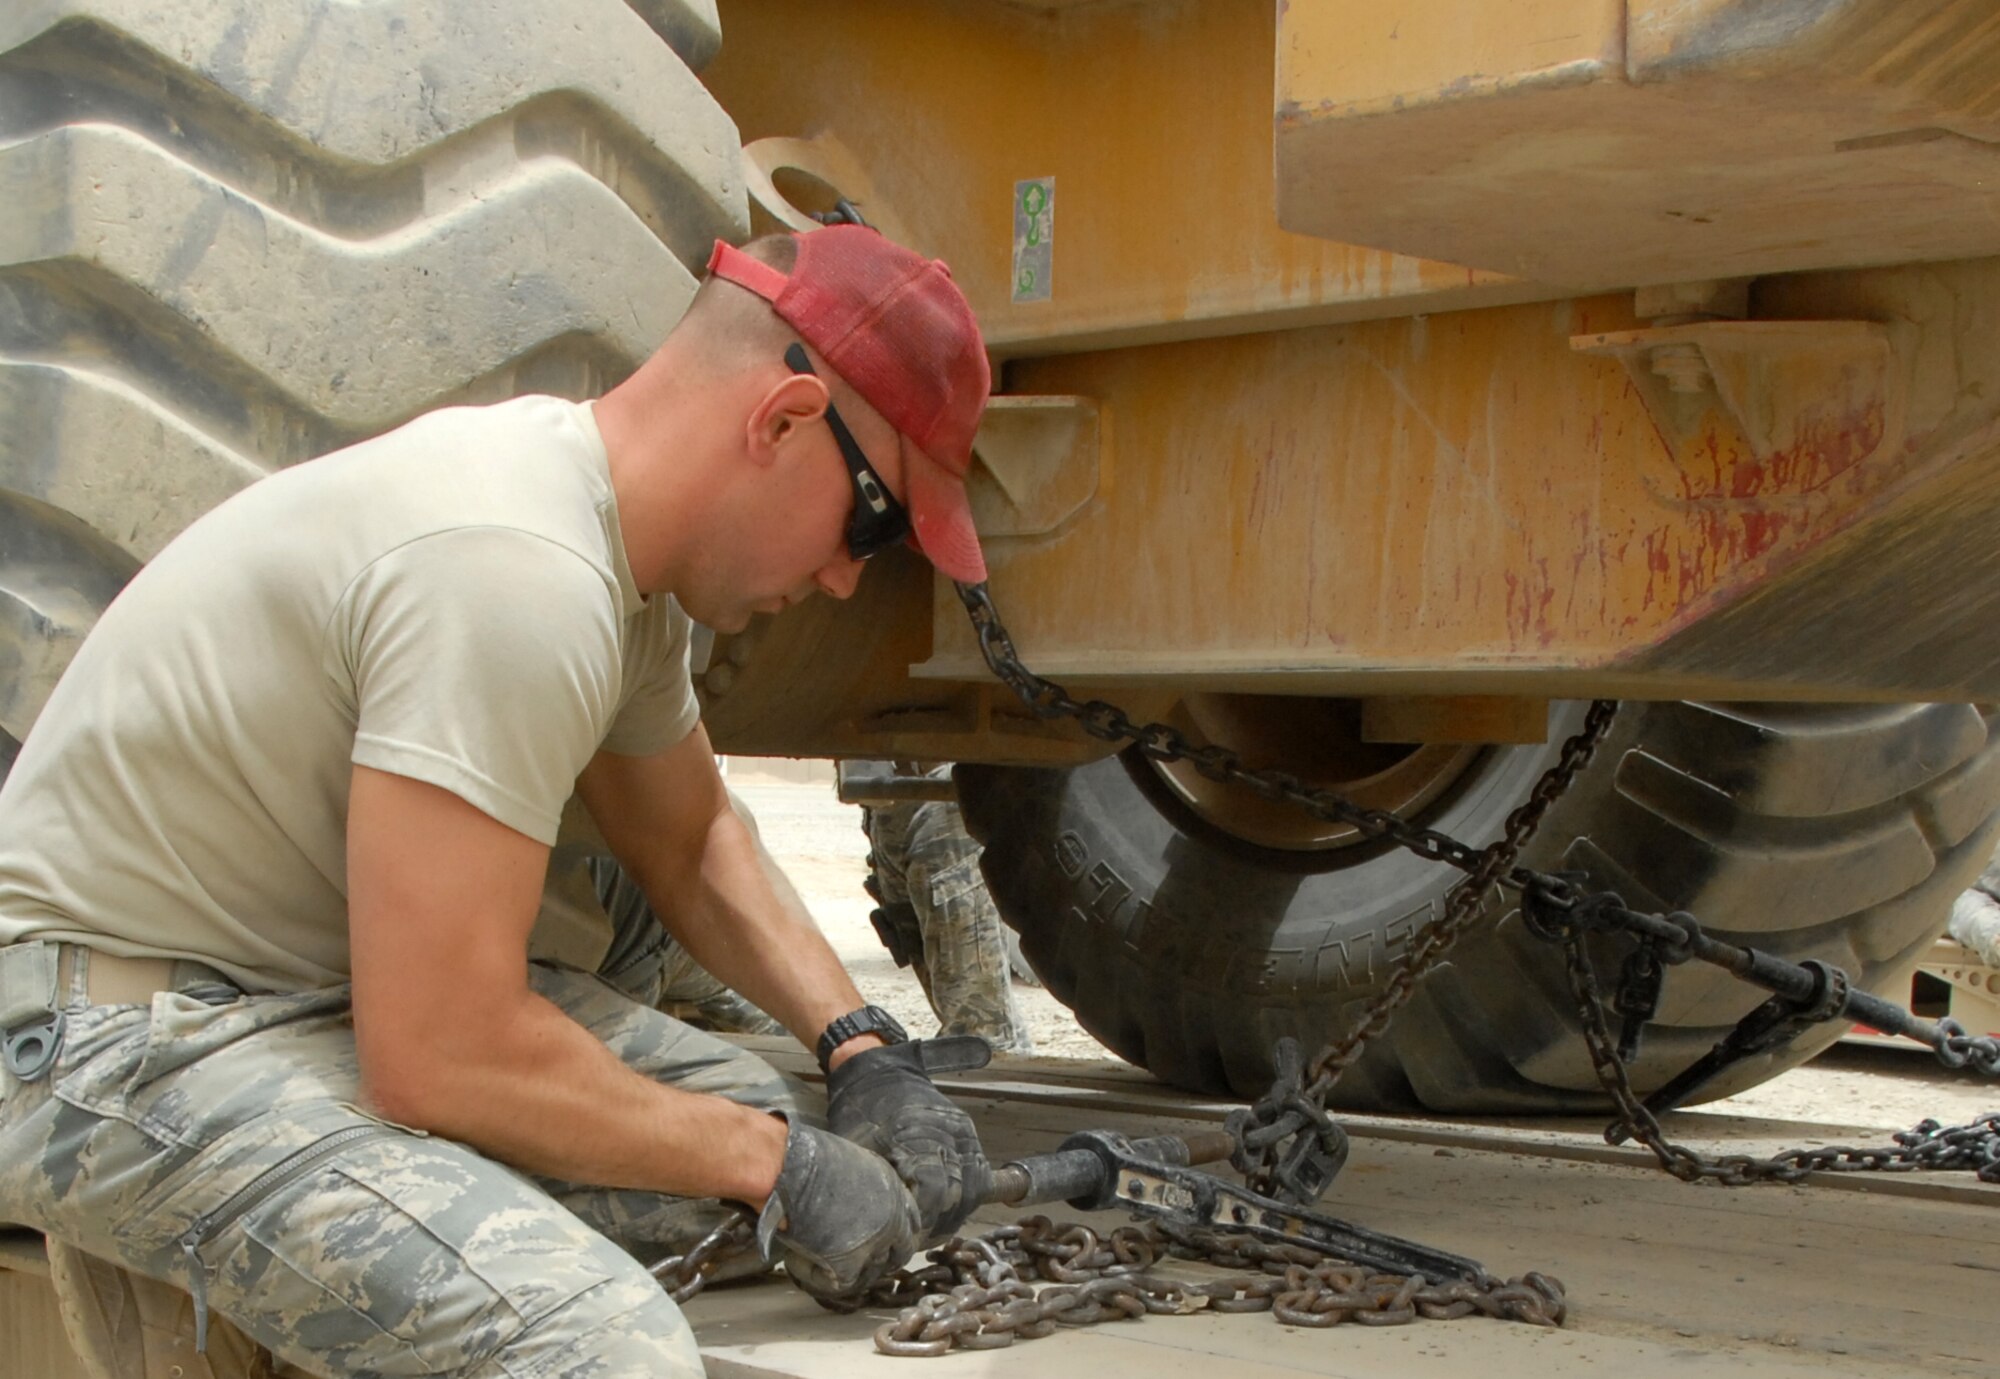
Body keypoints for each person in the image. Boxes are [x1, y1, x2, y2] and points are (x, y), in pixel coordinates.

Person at [0, 225, 995, 1379]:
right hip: (100, 1034)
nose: (842, 576)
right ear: (780, 419)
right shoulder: (513, 567)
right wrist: (772, 1165)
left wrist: (864, 1051)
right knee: (599, 1344)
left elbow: (691, 838)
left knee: (742, 1126)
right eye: (870, 523)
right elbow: (441, 1054)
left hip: (298, 991)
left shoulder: (612, 555)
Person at [861, 763, 1035, 1054]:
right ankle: (985, 1048)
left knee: (978, 1029)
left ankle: (987, 1053)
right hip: (895, 771)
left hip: (961, 764)